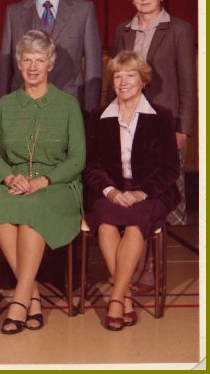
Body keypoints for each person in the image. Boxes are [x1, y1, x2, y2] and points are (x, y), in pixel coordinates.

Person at [0, 30, 85, 335]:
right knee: (0, 205)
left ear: (50, 64)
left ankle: (19, 301)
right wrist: (9, 176)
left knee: (31, 211)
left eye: (39, 60)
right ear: (18, 63)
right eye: (27, 60)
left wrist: (44, 180)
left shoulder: (68, 104)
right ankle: (33, 299)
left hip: (57, 186)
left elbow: (77, 159)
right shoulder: (4, 104)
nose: (33, 67)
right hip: (16, 183)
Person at [83, 51, 180, 331]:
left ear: (143, 80)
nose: (123, 82)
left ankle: (115, 298)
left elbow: (170, 167)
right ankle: (126, 299)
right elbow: (93, 166)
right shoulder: (100, 116)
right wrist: (111, 191)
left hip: (149, 192)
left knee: (137, 223)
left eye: (130, 75)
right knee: (104, 222)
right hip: (110, 190)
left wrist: (141, 193)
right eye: (117, 76)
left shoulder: (161, 116)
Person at [112, 0, 196, 228]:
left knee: (168, 190)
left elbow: (187, 85)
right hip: (129, 122)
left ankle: (167, 260)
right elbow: (117, 78)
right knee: (136, 191)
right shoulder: (123, 30)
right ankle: (142, 260)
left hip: (165, 123)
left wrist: (182, 129)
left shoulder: (179, 30)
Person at [0, 0, 102, 114]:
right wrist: (1, 111)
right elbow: (5, 70)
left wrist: (90, 114)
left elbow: (93, 68)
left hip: (68, 106)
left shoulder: (84, 10)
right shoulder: (14, 12)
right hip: (23, 106)